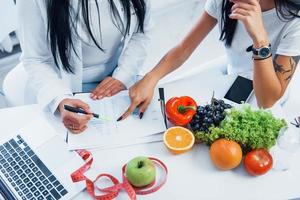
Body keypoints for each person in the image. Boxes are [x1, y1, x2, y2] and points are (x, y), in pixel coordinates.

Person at [120, 0, 300, 120]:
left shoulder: (294, 20)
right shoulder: (224, 2)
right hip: (233, 78)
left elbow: (266, 101)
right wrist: (151, 77)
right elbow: (185, 47)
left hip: (268, 95)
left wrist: (260, 40)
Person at [17, 0, 152, 133]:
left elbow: (140, 33)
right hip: (57, 84)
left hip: (117, 76)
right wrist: (60, 100)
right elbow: (36, 59)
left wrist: (124, 75)